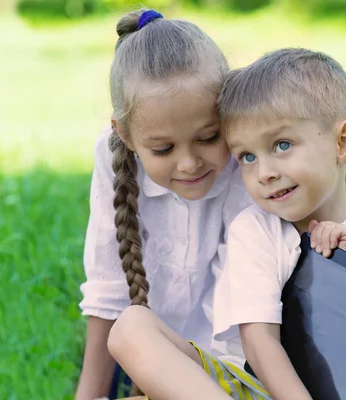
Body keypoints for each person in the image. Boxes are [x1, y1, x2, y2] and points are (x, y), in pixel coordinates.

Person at [107, 48, 346, 400]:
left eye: (282, 145)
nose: (265, 172)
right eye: (247, 156)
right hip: (239, 386)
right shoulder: (256, 229)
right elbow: (258, 343)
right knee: (131, 326)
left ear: (343, 142)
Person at [75, 9, 252, 400]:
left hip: (235, 368)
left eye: (209, 137)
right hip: (146, 359)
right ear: (125, 136)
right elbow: (108, 289)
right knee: (131, 334)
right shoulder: (112, 156)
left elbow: (240, 322)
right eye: (163, 149)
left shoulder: (247, 167)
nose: (189, 164)